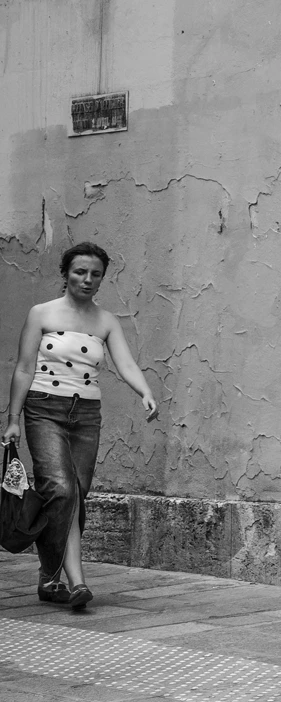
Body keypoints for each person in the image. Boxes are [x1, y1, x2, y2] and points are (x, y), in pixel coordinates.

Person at [4, 242, 159, 611]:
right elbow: (24, 368)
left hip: (87, 414)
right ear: (65, 273)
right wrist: (13, 420)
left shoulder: (106, 321)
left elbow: (125, 363)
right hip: (43, 408)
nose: (87, 279)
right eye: (80, 272)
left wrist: (145, 392)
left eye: (95, 274)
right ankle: (77, 581)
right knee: (61, 488)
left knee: (75, 494)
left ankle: (49, 578)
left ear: (102, 279)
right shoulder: (41, 313)